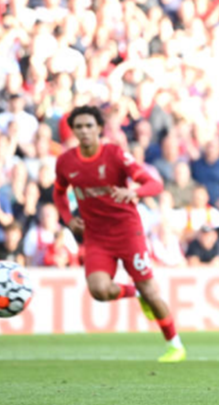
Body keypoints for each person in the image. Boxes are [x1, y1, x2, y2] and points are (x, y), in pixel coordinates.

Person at [52, 105, 186, 363]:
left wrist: (135, 192)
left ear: (99, 128)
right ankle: (134, 293)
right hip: (96, 236)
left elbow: (154, 183)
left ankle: (175, 345)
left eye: (89, 126)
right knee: (99, 290)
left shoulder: (114, 154)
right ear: (73, 131)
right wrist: (68, 219)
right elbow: (58, 193)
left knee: (151, 289)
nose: (84, 131)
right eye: (78, 127)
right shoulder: (66, 162)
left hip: (127, 231)